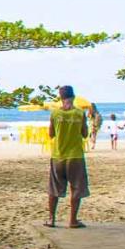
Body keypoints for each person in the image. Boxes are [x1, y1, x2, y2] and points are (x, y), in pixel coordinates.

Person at [45, 85, 89, 228]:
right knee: (76, 187)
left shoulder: (55, 114)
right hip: (75, 155)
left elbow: (51, 134)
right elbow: (84, 134)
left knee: (54, 188)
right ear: (73, 97)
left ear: (61, 98)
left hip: (58, 155)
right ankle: (73, 220)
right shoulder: (79, 113)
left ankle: (51, 219)